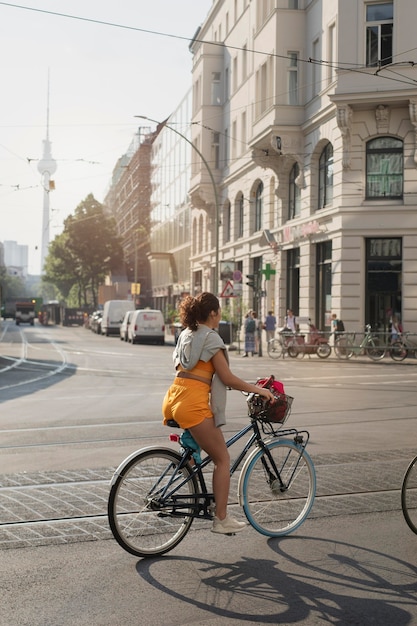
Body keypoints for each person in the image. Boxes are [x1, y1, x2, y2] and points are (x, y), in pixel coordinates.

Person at [162, 293, 275, 535]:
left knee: (200, 448)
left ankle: (197, 488)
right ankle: (221, 519)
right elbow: (227, 378)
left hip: (174, 399)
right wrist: (258, 390)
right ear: (213, 313)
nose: (220, 315)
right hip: (193, 404)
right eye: (219, 311)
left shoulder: (186, 334)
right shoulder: (211, 338)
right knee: (222, 459)